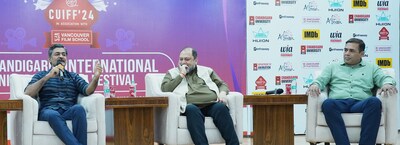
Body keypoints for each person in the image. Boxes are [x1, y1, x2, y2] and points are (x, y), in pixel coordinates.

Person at [307, 38, 397, 145]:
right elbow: (320, 80)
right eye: (345, 50)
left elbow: (385, 78)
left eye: (351, 51)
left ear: (362, 53)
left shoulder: (371, 67)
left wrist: (387, 83)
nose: (347, 53)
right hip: (338, 103)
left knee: (374, 102)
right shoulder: (332, 67)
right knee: (328, 104)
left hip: (360, 103)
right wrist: (315, 85)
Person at [24, 44, 103, 145]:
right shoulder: (42, 75)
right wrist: (48, 77)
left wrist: (95, 78)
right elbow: (28, 92)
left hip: (68, 110)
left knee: (79, 109)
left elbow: (88, 90)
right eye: (57, 54)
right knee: (53, 114)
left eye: (63, 54)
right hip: (48, 111)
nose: (61, 56)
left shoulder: (73, 76)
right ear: (50, 59)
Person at [161, 47, 239, 145]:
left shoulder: (207, 71)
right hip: (189, 105)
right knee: (192, 110)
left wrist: (222, 93)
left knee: (221, 107)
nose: (183, 62)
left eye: (187, 59)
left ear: (196, 60)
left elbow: (222, 84)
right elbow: (165, 89)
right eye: (181, 59)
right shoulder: (172, 73)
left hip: (210, 104)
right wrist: (181, 75)